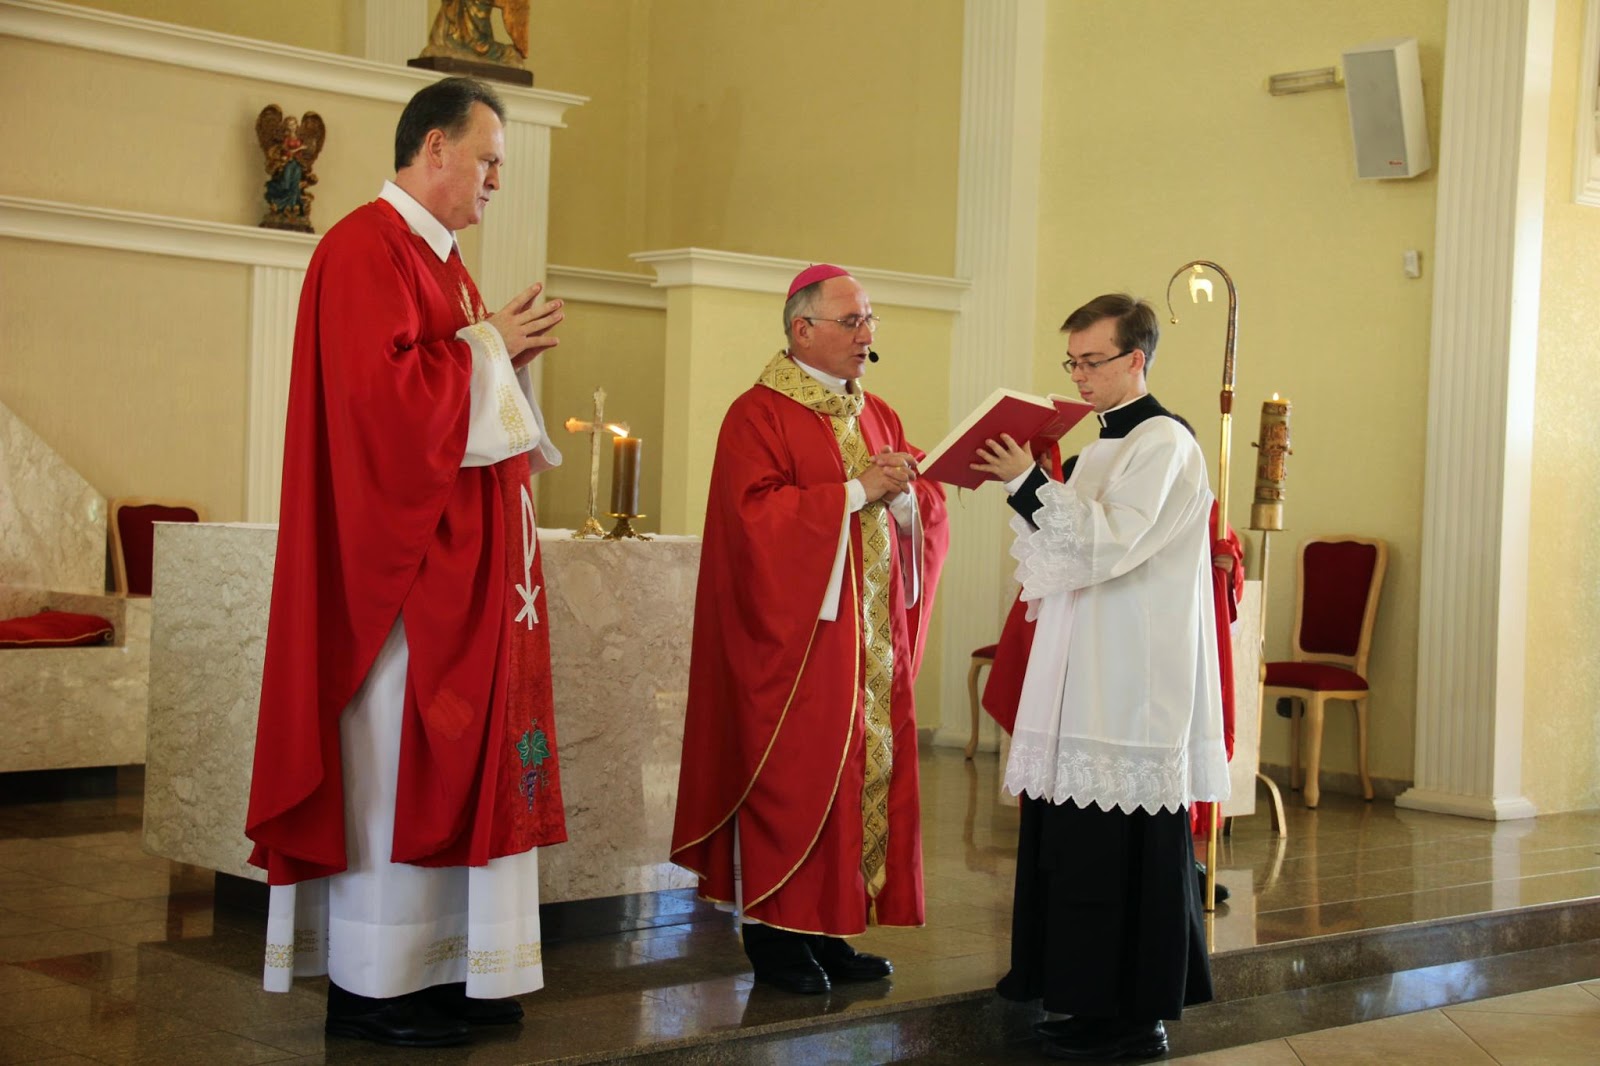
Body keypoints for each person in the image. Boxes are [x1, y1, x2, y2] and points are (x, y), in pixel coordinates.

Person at [244, 76, 570, 1049]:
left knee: (449, 769)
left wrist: (496, 355)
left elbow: (450, 383)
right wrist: (488, 350)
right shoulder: (362, 249)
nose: (496, 180)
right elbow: (380, 409)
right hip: (394, 582)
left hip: (458, 575)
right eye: (488, 160)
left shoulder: (444, 262)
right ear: (434, 148)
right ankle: (372, 987)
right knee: (391, 769)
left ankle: (440, 972)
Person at [671, 264, 950, 995]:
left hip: (868, 645)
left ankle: (831, 928)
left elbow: (920, 507)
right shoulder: (757, 414)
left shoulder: (877, 413)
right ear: (803, 330)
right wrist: (859, 490)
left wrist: (909, 496)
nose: (867, 335)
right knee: (793, 781)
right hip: (796, 644)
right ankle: (774, 936)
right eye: (851, 321)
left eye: (870, 320)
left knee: (857, 779)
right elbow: (753, 521)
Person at [971, 293, 1229, 1061]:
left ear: (1135, 360)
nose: (1079, 377)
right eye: (1072, 362)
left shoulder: (1165, 442)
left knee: (1120, 850)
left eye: (1092, 361)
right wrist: (1030, 488)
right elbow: (1061, 557)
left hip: (1129, 683)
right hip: (1081, 674)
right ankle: (1082, 1001)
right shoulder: (1097, 450)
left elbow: (1110, 544)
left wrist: (1028, 485)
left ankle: (1133, 1019)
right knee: (1077, 846)